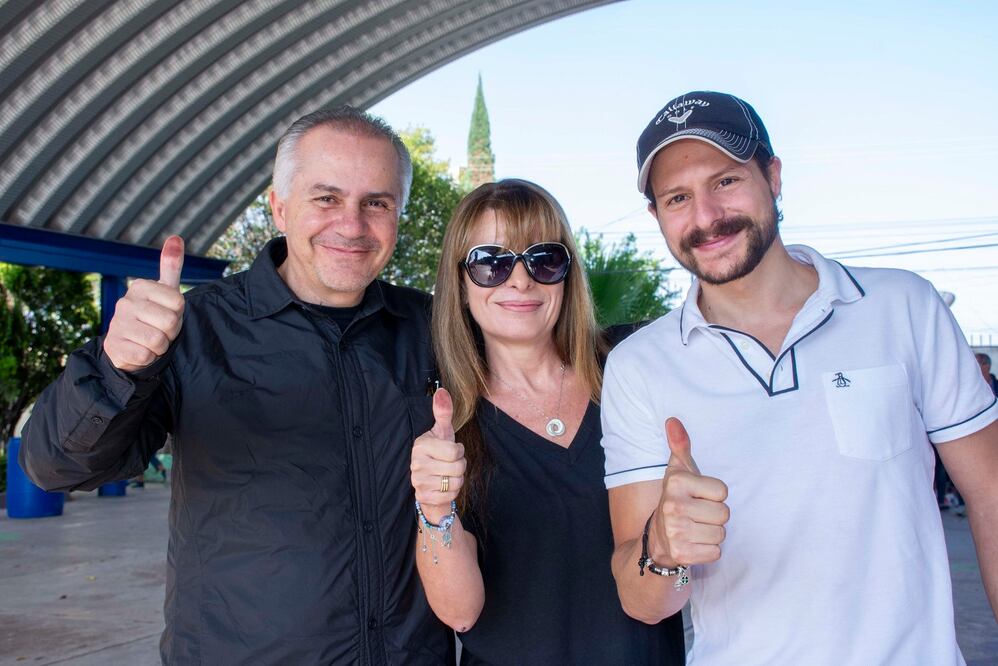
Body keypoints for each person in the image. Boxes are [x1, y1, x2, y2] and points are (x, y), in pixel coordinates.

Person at [20, 107, 453, 663]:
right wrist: (116, 368)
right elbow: (55, 467)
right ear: (279, 207)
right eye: (326, 198)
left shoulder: (433, 330)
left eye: (377, 203)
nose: (351, 224)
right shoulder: (190, 329)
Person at [601, 91, 998, 664]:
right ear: (657, 215)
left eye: (726, 181)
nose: (706, 217)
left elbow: (989, 495)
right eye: (678, 197)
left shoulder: (904, 306)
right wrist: (662, 548)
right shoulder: (639, 365)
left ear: (773, 176)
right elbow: (643, 601)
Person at [409, 179, 685, 664]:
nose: (520, 281)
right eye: (491, 262)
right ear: (459, 280)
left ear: (568, 273)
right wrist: (435, 509)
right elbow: (460, 613)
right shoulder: (443, 422)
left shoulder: (630, 370)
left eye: (544, 259)